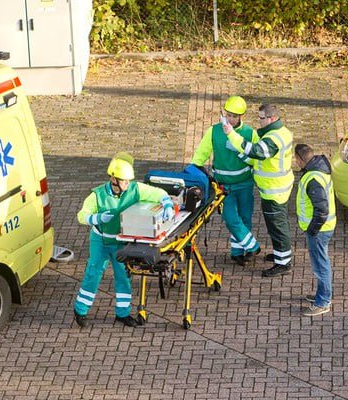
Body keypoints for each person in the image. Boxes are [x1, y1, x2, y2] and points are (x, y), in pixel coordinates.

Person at [73, 152, 174, 327]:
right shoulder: (97, 195)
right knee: (93, 274)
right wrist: (96, 218)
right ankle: (80, 310)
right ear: (114, 180)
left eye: (128, 181)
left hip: (121, 242)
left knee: (123, 276)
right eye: (124, 181)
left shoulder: (135, 189)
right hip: (100, 241)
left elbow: (158, 193)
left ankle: (123, 313)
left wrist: (167, 203)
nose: (127, 185)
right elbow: (82, 215)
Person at [225, 104, 294, 277]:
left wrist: (232, 136)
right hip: (276, 188)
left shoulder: (273, 138)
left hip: (275, 191)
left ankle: (283, 263)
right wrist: (241, 153)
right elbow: (258, 158)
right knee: (276, 225)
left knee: (278, 227)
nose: (259, 121)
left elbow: (257, 152)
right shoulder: (281, 132)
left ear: (272, 118)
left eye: (262, 118)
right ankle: (280, 255)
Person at [190, 96, 261, 266]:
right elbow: (200, 155)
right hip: (223, 186)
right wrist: (194, 171)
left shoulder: (250, 133)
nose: (230, 119)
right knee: (230, 219)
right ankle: (252, 246)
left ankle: (238, 253)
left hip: (245, 184)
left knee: (245, 218)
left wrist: (240, 152)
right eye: (228, 115)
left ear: (241, 116)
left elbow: (256, 160)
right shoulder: (214, 131)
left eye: (234, 116)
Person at [294, 144, 336, 316]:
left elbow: (321, 210)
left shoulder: (313, 179)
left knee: (320, 266)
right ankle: (322, 295)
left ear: (299, 159)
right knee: (321, 263)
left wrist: (312, 229)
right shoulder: (319, 171)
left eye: (295, 158)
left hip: (319, 230)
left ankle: (323, 302)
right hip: (323, 228)